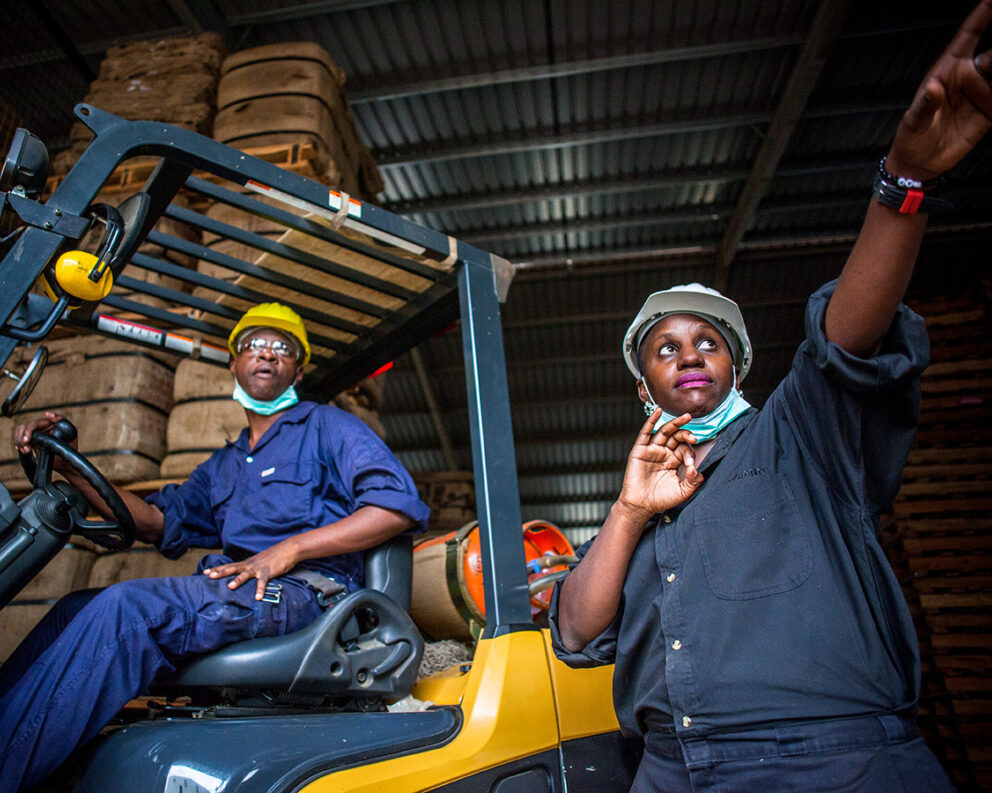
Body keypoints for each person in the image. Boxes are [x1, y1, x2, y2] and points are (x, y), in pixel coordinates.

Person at [550, 5, 992, 792]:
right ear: (643, 383)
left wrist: (904, 183)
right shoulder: (640, 489)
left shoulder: (798, 432)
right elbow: (578, 631)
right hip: (669, 768)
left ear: (738, 365)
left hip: (832, 764)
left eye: (708, 342)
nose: (689, 355)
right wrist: (627, 512)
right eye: (666, 348)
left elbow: (848, 340)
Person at [0, 302, 429, 792]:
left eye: (281, 348)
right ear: (234, 363)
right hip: (241, 587)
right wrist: (70, 469)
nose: (266, 356)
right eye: (254, 346)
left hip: (305, 593)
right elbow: (156, 522)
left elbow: (396, 507)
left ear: (297, 368)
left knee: (131, 609)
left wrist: (290, 549)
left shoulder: (328, 428)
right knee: (74, 608)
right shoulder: (225, 464)